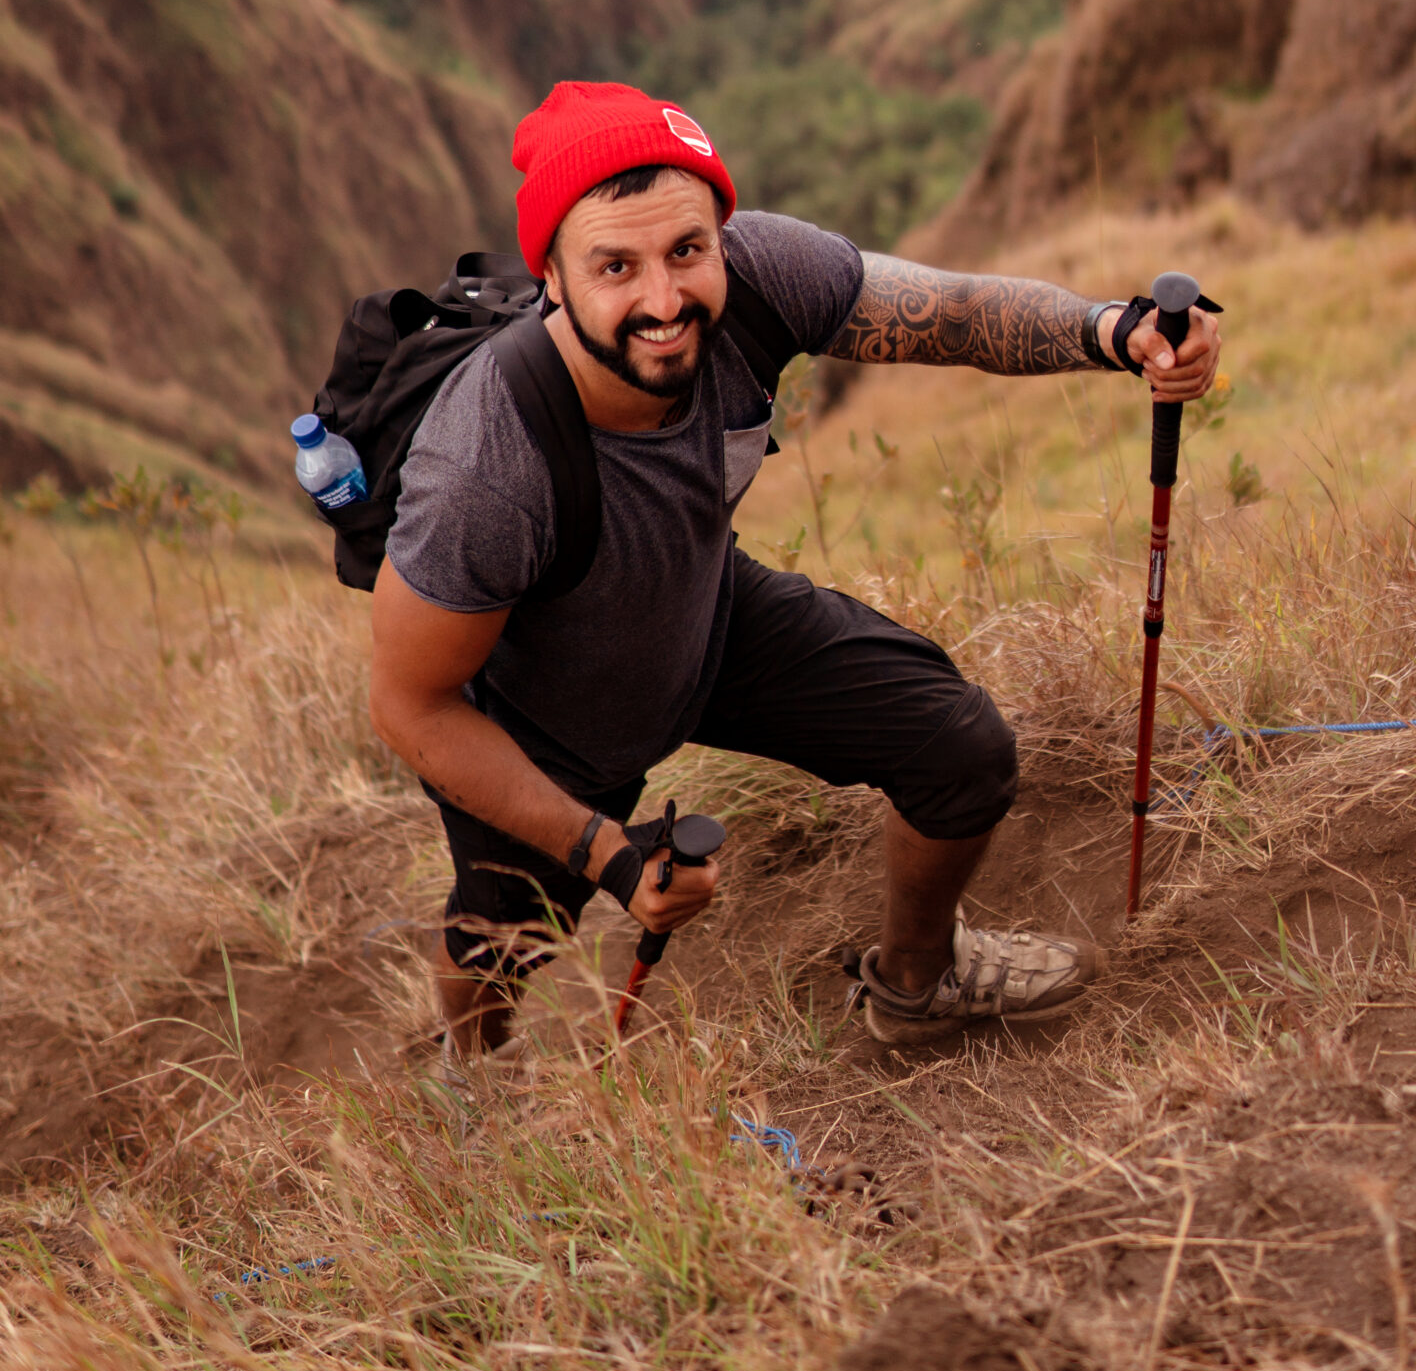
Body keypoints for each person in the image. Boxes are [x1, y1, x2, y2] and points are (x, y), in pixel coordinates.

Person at [369, 81, 1220, 1059]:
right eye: (615, 265)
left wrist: (1115, 332)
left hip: (707, 617)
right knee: (501, 938)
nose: (664, 298)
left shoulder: (766, 276)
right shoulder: (485, 463)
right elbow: (411, 704)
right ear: (552, 280)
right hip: (548, 721)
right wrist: (608, 852)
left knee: (958, 748)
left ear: (723, 234)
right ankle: (469, 1075)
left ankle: (916, 982)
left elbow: (952, 313)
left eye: (688, 249)